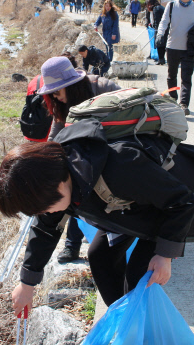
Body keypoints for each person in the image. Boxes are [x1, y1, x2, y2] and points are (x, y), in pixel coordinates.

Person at [0, 117, 194, 312]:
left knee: (141, 279)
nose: (44, 213)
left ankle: (139, 328)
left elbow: (182, 201)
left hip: (163, 211)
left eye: (43, 207)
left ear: (59, 184)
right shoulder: (57, 179)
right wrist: (27, 284)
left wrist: (165, 254)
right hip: (127, 211)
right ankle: (123, 322)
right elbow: (45, 229)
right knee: (100, 256)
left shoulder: (120, 165)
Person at [37, 56, 120, 263]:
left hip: (115, 153)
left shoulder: (104, 88)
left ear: (71, 85)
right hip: (87, 155)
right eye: (51, 93)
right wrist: (44, 158)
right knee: (77, 195)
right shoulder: (61, 103)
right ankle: (72, 246)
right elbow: (56, 133)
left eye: (57, 91)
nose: (55, 97)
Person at [156, 0, 194, 115]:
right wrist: (160, 35)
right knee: (172, 76)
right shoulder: (171, 6)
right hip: (172, 46)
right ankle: (173, 100)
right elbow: (164, 22)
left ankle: (184, 104)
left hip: (189, 49)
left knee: (186, 78)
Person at [146, 0, 166, 65]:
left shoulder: (156, 9)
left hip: (160, 28)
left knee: (159, 43)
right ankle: (162, 59)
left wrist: (155, 28)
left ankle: (161, 59)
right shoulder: (161, 7)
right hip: (165, 27)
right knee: (162, 44)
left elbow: (157, 20)